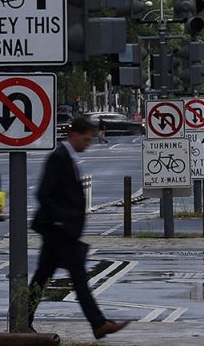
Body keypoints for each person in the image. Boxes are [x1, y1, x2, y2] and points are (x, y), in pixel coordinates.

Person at [28, 116, 130, 339]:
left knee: (42, 276)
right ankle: (98, 323)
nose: (89, 143)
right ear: (74, 135)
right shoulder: (59, 157)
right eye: (86, 138)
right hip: (58, 230)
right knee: (77, 276)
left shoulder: (68, 156)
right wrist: (63, 220)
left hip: (60, 230)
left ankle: (21, 321)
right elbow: (43, 193)